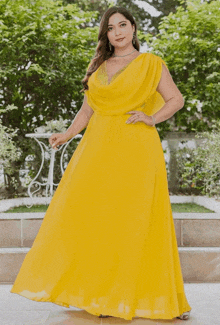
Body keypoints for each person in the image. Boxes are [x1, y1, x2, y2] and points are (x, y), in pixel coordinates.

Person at [10, 6, 192, 321]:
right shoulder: (99, 66)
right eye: (111, 27)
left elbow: (176, 99)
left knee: (134, 219)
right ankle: (103, 296)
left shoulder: (151, 64)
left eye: (123, 25)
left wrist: (151, 117)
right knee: (98, 218)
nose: (118, 32)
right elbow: (87, 110)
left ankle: (147, 298)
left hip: (136, 150)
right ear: (106, 34)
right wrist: (67, 133)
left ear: (134, 28)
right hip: (97, 150)